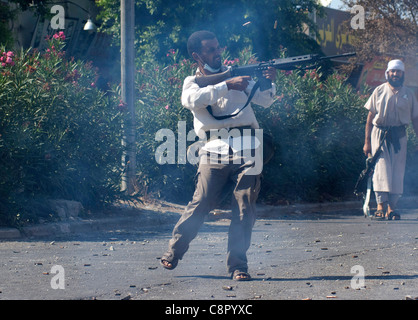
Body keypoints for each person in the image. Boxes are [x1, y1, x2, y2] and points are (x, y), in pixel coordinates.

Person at [160, 30, 276, 281]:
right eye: (210, 50)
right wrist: (226, 84)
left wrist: (268, 81)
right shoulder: (192, 81)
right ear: (197, 56)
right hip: (214, 148)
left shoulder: (237, 74)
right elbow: (192, 100)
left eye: (217, 47)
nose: (217, 52)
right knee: (201, 202)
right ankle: (174, 251)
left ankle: (238, 266)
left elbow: (265, 101)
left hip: (249, 147)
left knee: (244, 207)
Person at [363, 59, 418, 220]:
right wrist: (367, 142)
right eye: (392, 71)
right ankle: (380, 206)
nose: (395, 74)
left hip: (400, 136)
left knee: (397, 172)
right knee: (381, 169)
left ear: (402, 74)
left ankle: (391, 209)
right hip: (379, 135)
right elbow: (369, 118)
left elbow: (415, 119)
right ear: (387, 73)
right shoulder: (379, 91)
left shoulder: (409, 94)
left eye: (398, 71)